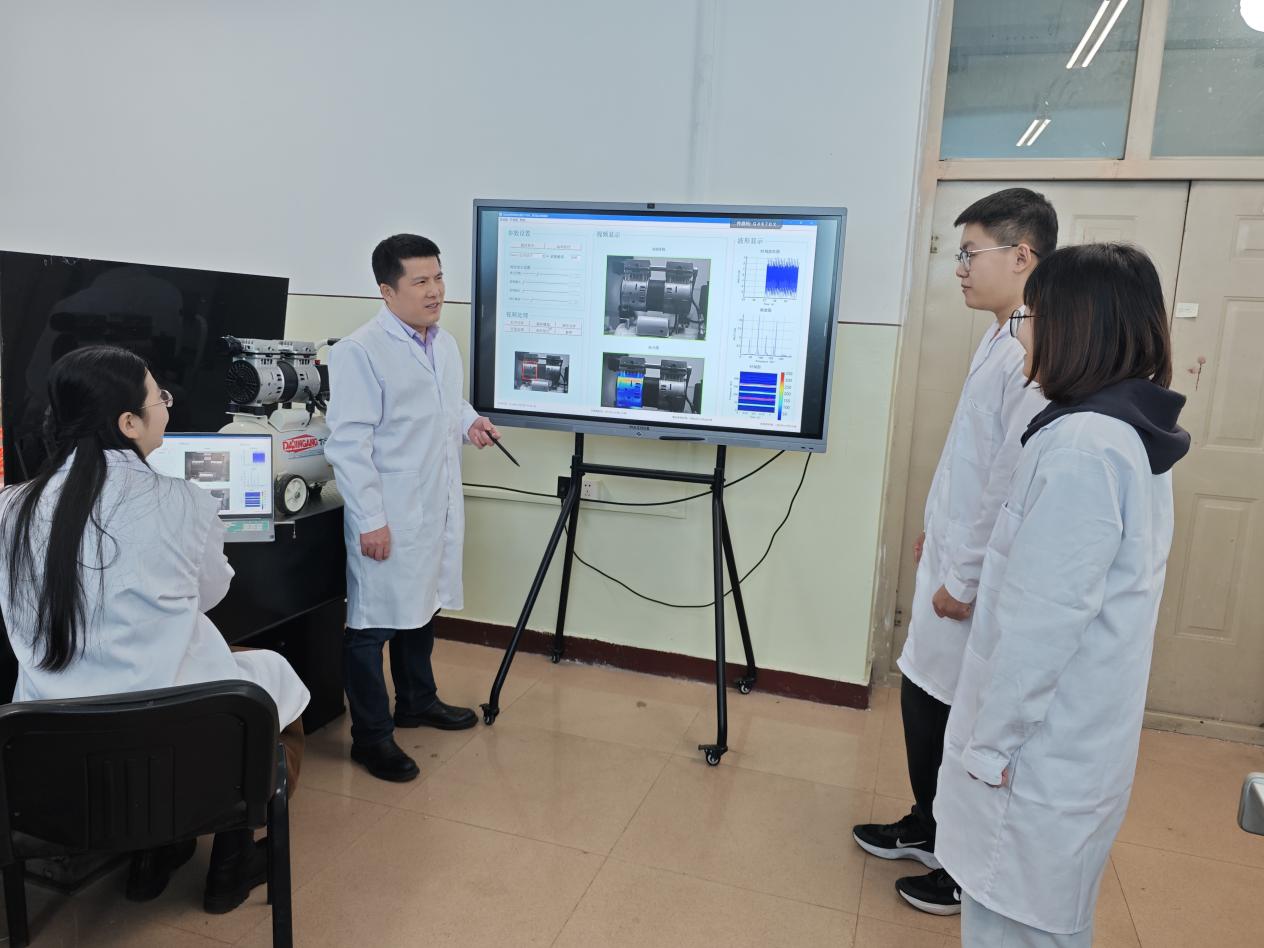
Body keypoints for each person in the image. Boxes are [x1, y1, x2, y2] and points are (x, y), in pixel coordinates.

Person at [934, 242, 1189, 946]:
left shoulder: (1083, 448)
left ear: (1076, 327)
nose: (1023, 334)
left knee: (1016, 928)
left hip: (1035, 762)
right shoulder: (1119, 430)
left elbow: (1041, 626)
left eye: (1032, 317)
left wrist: (990, 750)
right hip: (1066, 745)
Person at [0, 345, 309, 913]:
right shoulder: (184, 500)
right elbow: (210, 594)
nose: (167, 404)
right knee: (274, 690)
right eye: (158, 396)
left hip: (50, 764)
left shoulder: (11, 507)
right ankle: (231, 863)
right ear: (128, 423)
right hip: (173, 751)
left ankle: (155, 857)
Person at [852, 188, 1056, 915]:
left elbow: (1007, 480)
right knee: (922, 692)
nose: (961, 269)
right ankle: (928, 823)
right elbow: (971, 458)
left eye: (971, 254)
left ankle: (960, 862)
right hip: (952, 551)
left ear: (1022, 256)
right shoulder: (1000, 336)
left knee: (956, 713)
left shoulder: (1034, 353)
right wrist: (937, 531)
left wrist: (964, 574)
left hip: (975, 573)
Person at [325, 234, 499, 783]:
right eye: (420, 281)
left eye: (438, 277)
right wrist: (371, 520)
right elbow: (347, 444)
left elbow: (447, 403)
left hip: (433, 503)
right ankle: (371, 737)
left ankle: (417, 701)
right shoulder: (359, 352)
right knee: (371, 626)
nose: (435, 291)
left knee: (424, 606)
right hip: (390, 511)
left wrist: (470, 423)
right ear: (387, 290)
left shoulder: (442, 344)